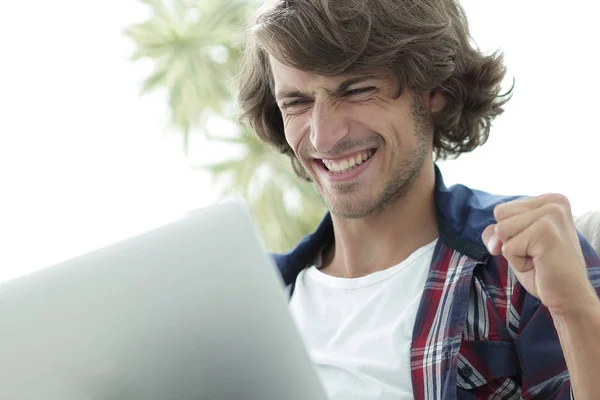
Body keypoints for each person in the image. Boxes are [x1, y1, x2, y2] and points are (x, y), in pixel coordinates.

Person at [237, 0, 600, 399]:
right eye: (297, 103)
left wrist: (576, 313)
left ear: (436, 92)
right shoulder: (251, 304)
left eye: (357, 90)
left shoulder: (525, 263)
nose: (323, 137)